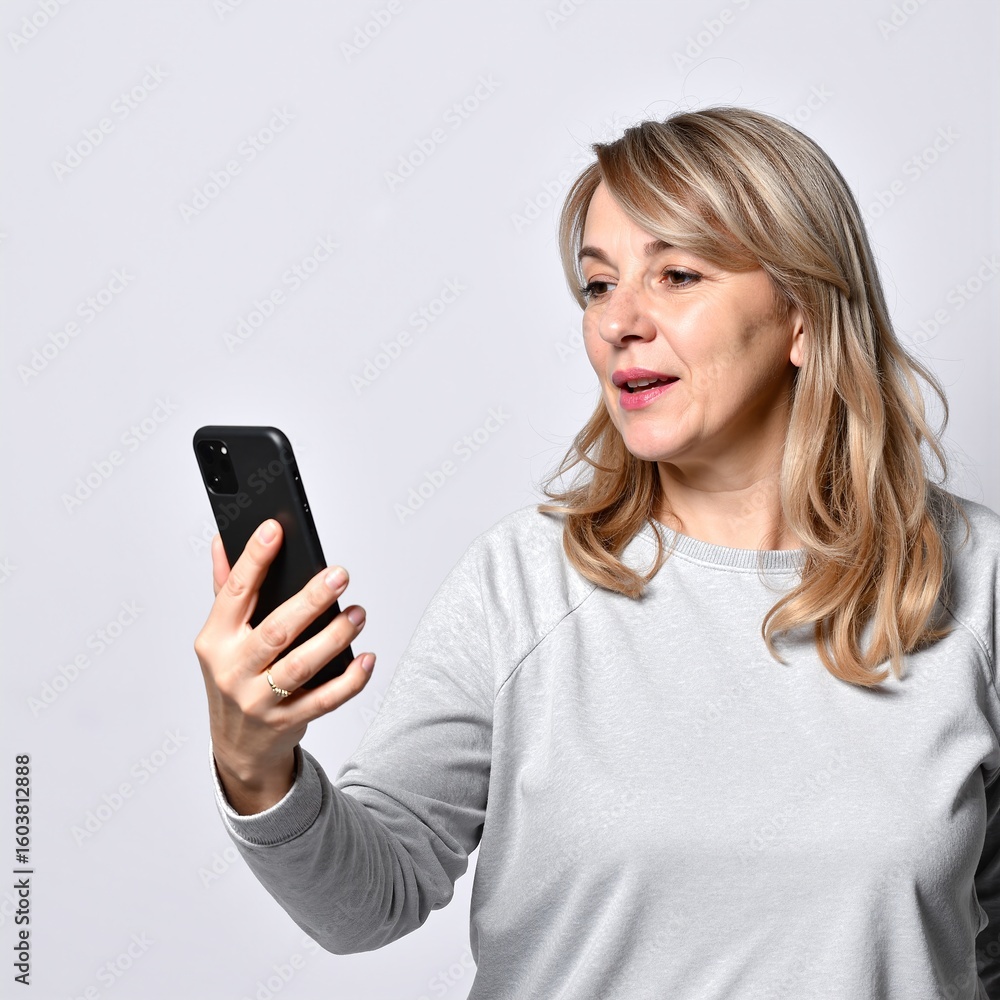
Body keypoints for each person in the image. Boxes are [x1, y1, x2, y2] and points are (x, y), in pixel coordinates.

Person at [194, 106, 1000, 998]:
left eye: (677, 275)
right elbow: (364, 903)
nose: (620, 321)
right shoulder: (522, 586)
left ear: (802, 315)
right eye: (598, 285)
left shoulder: (975, 579)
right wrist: (254, 765)